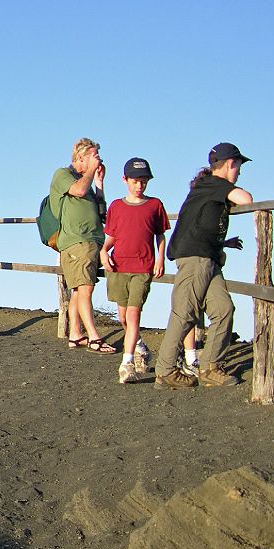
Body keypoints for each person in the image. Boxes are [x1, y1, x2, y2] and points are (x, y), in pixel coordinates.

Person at [154, 143, 254, 388]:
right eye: (238, 166)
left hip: (208, 258)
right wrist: (232, 190)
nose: (239, 172)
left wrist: (223, 242)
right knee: (185, 311)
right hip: (196, 259)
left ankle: (210, 366)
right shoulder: (213, 184)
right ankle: (165, 370)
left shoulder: (208, 188)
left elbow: (203, 222)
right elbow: (246, 199)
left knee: (223, 309)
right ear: (230, 163)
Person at [101, 158, 170, 383]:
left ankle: (127, 363)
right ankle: (140, 347)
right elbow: (112, 235)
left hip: (143, 267)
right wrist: (103, 252)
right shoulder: (116, 206)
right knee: (123, 318)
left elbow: (160, 234)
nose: (139, 186)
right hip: (119, 266)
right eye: (135, 181)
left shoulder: (155, 205)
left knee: (133, 314)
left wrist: (160, 258)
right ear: (125, 180)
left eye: (143, 181)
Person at [50, 139, 115, 353]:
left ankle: (76, 334)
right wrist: (90, 173)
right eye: (93, 156)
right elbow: (77, 191)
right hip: (76, 241)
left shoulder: (87, 181)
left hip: (92, 240)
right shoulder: (63, 175)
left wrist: (100, 182)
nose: (98, 159)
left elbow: (102, 211)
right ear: (80, 158)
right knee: (85, 288)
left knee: (80, 289)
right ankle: (94, 338)